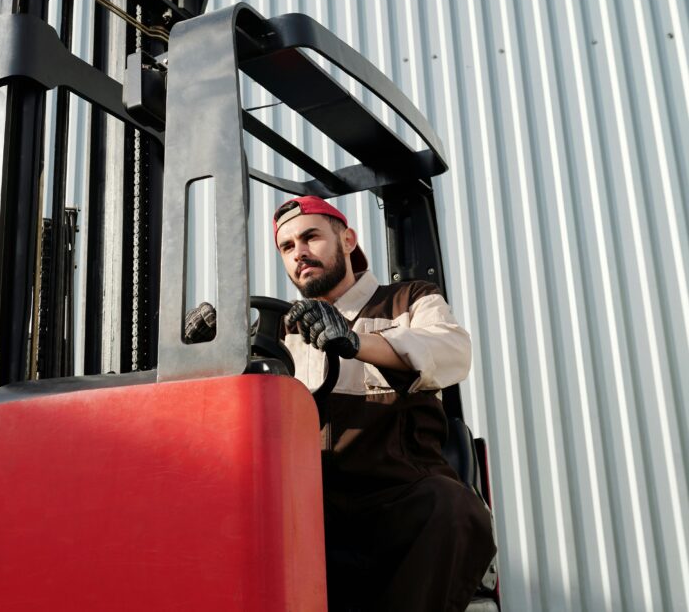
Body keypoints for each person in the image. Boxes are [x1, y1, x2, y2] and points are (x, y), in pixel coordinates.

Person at [184, 195, 496, 612]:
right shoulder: (277, 330)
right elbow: (230, 413)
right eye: (288, 247)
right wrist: (205, 351)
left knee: (452, 508)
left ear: (347, 240)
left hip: (396, 499)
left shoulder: (408, 301)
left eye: (311, 237)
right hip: (311, 510)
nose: (300, 254)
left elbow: (452, 350)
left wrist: (355, 343)